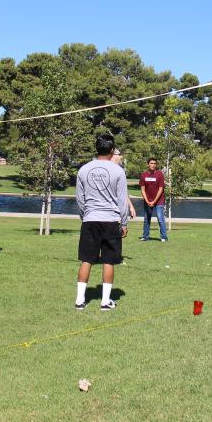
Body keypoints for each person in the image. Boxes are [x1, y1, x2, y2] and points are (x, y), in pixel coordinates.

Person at [74, 133, 129, 311]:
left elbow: (79, 199)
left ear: (96, 148)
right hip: (111, 221)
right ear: (112, 151)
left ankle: (79, 300)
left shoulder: (83, 170)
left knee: (86, 260)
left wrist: (85, 216)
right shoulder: (118, 171)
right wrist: (124, 222)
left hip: (90, 220)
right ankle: (105, 301)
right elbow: (122, 201)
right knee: (109, 261)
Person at [138, 157, 168, 242]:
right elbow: (143, 190)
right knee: (147, 219)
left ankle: (163, 237)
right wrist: (147, 201)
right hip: (147, 200)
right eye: (151, 163)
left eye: (155, 163)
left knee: (160, 218)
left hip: (159, 201)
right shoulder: (143, 175)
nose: (153, 165)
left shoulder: (160, 174)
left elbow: (161, 189)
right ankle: (145, 236)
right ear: (148, 164)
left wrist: (154, 201)